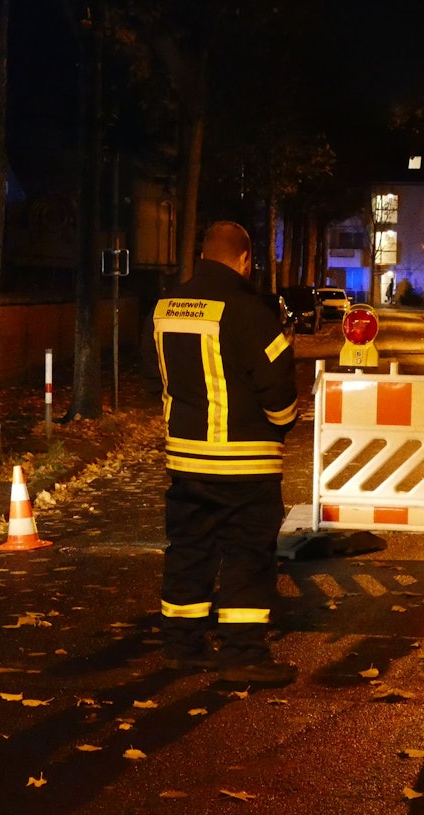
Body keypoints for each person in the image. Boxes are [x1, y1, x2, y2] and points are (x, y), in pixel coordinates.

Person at [144, 221, 300, 686]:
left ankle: (182, 647)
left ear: (202, 255)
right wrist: (281, 423)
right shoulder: (250, 310)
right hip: (246, 464)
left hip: (186, 460)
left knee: (189, 550)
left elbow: (156, 378)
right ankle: (242, 654)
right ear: (245, 259)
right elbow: (278, 389)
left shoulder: (164, 308)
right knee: (247, 556)